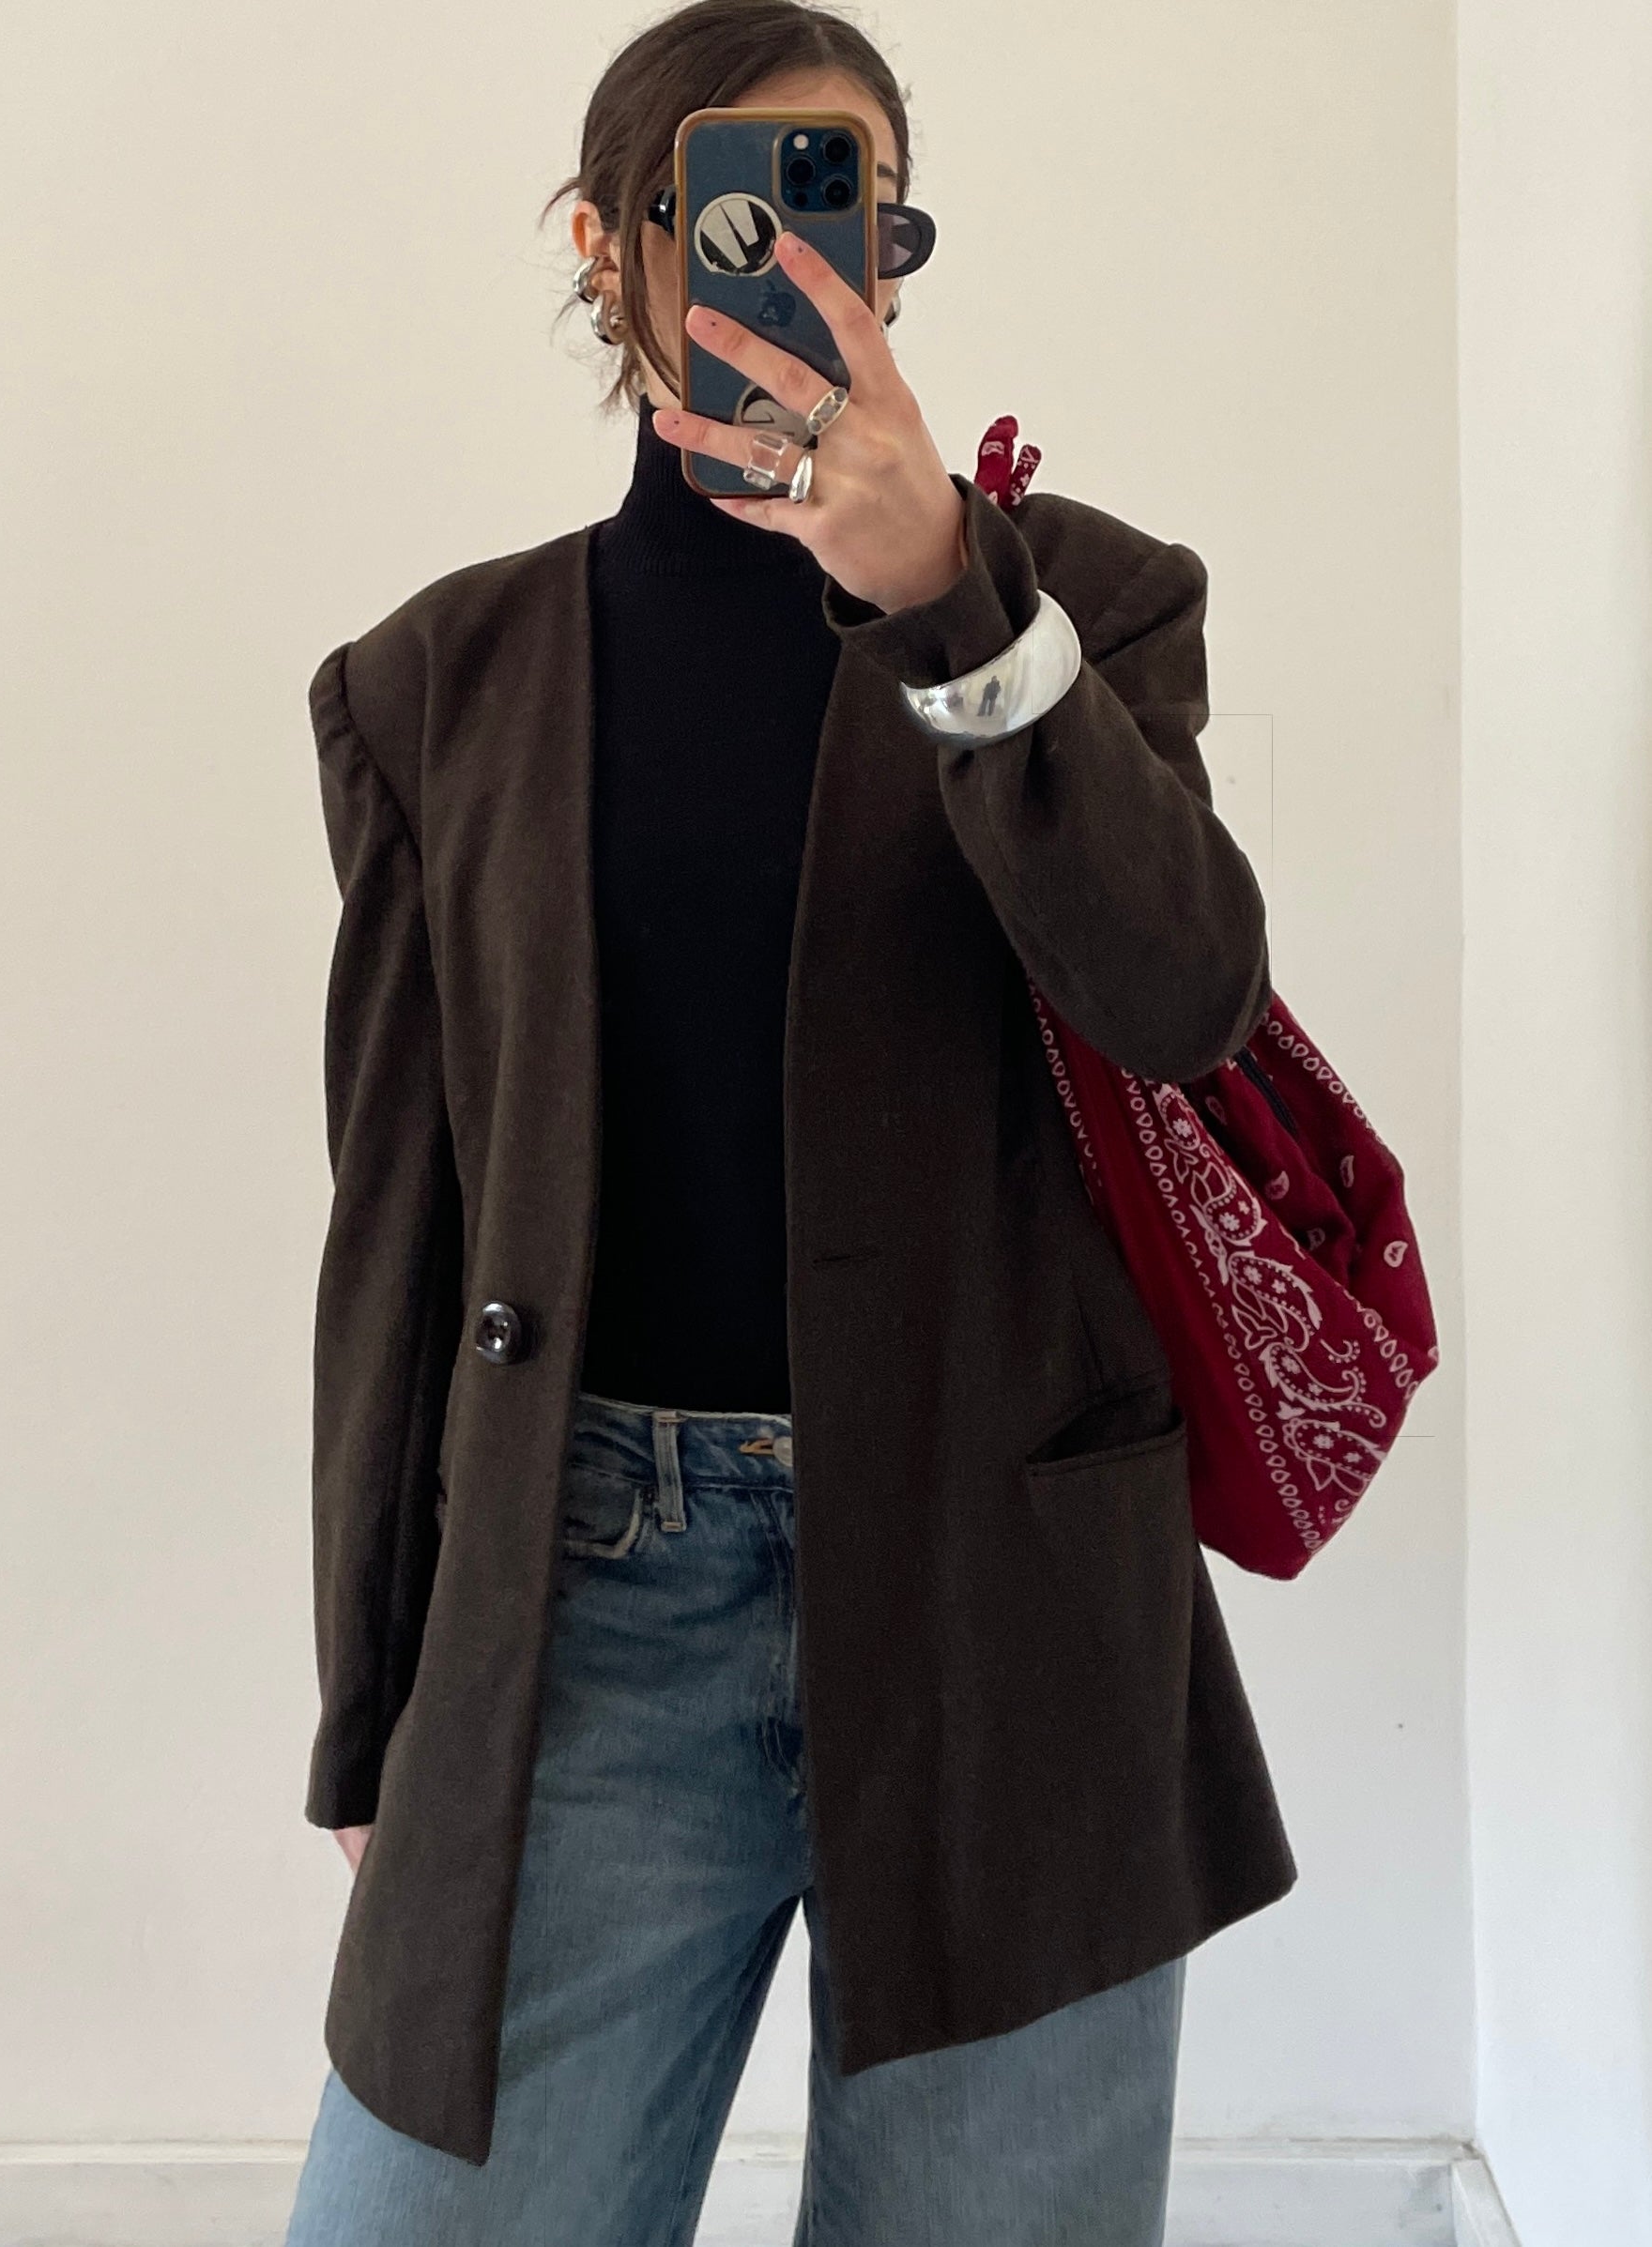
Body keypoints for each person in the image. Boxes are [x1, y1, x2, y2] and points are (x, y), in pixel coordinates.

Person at [283, 3, 1296, 2240]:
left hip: (1007, 1594)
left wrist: (952, 600)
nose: (808, 261)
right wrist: (375, 1704)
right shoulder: (438, 686)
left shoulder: (1086, 603)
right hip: (587, 1600)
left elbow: (1184, 998)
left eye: (859, 211)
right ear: (608, 238)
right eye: (739, 203)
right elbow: (399, 1221)